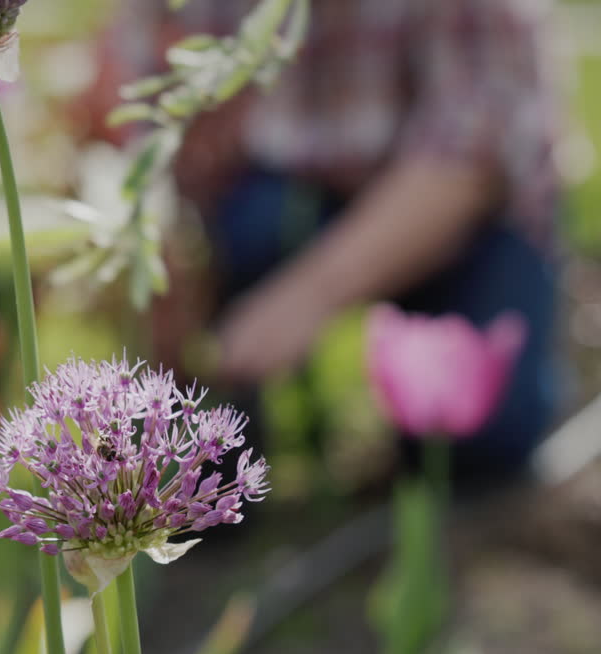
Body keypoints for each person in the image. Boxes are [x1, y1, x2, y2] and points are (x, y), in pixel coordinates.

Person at [76, 0, 565, 481]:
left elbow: (474, 154)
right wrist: (160, 264)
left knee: (484, 436)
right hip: (272, 197)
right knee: (190, 450)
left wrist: (307, 297)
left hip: (459, 214)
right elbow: (126, 109)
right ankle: (227, 448)